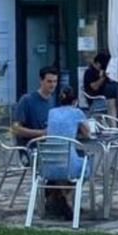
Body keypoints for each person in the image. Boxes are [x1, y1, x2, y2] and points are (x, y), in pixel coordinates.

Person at [41, 86, 91, 220]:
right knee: (87, 165)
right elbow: (87, 133)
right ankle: (67, 197)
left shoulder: (51, 112)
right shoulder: (77, 112)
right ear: (75, 101)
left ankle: (58, 196)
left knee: (65, 164)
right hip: (67, 164)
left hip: (47, 165)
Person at [13, 67, 58, 143]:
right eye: (49, 81)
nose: (53, 85)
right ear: (41, 81)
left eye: (55, 81)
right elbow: (16, 129)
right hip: (31, 146)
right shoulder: (26, 100)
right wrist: (41, 133)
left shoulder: (55, 101)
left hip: (50, 145)